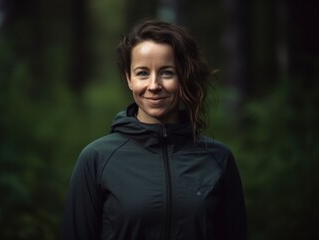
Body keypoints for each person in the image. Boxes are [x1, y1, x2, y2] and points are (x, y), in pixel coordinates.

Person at [61, 19, 247, 240]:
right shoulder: (96, 159)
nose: (153, 85)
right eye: (142, 73)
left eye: (167, 73)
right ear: (128, 79)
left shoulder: (218, 159)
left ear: (183, 77)